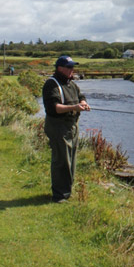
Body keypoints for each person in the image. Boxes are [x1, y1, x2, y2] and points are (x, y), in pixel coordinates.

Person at [42, 55, 90, 203]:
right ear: (60, 68)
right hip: (58, 127)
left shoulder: (72, 84)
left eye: (72, 67)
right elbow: (54, 108)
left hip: (72, 127)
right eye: (69, 67)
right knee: (62, 161)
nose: (72, 70)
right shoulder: (52, 84)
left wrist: (83, 103)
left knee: (71, 160)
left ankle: (67, 192)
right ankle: (59, 196)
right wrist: (74, 107)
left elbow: (81, 95)